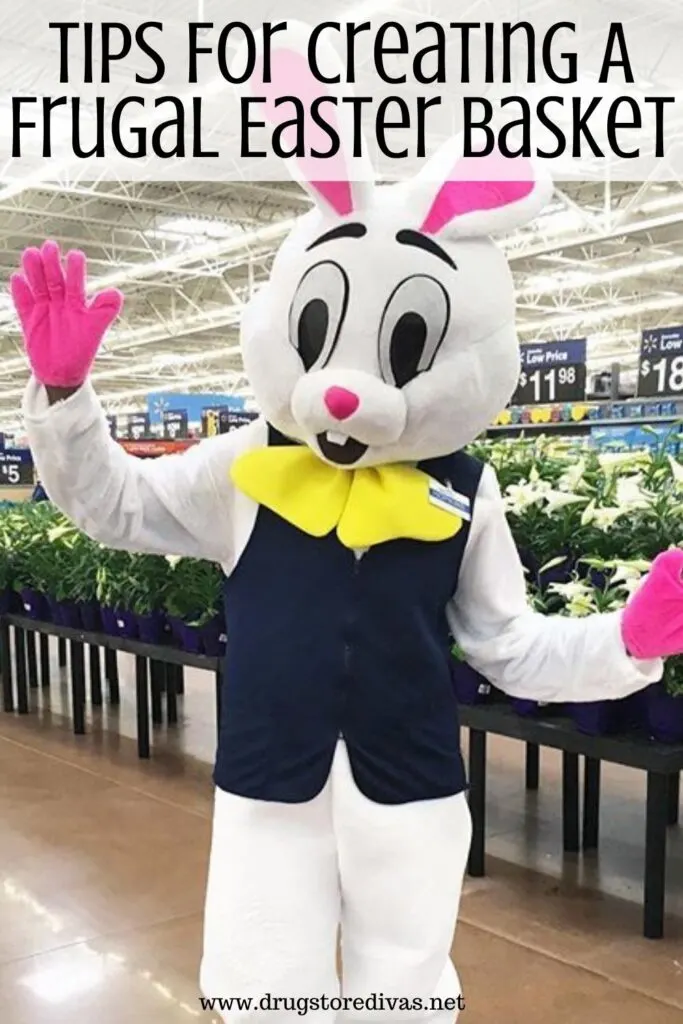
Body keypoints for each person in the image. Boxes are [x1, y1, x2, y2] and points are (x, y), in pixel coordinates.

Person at [11, 22, 683, 1024]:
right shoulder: (243, 466)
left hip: (409, 787)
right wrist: (65, 399)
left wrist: (622, 646)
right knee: (263, 989)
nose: (342, 388)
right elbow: (118, 504)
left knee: (402, 993)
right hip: (264, 785)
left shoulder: (465, 487)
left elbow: (509, 644)